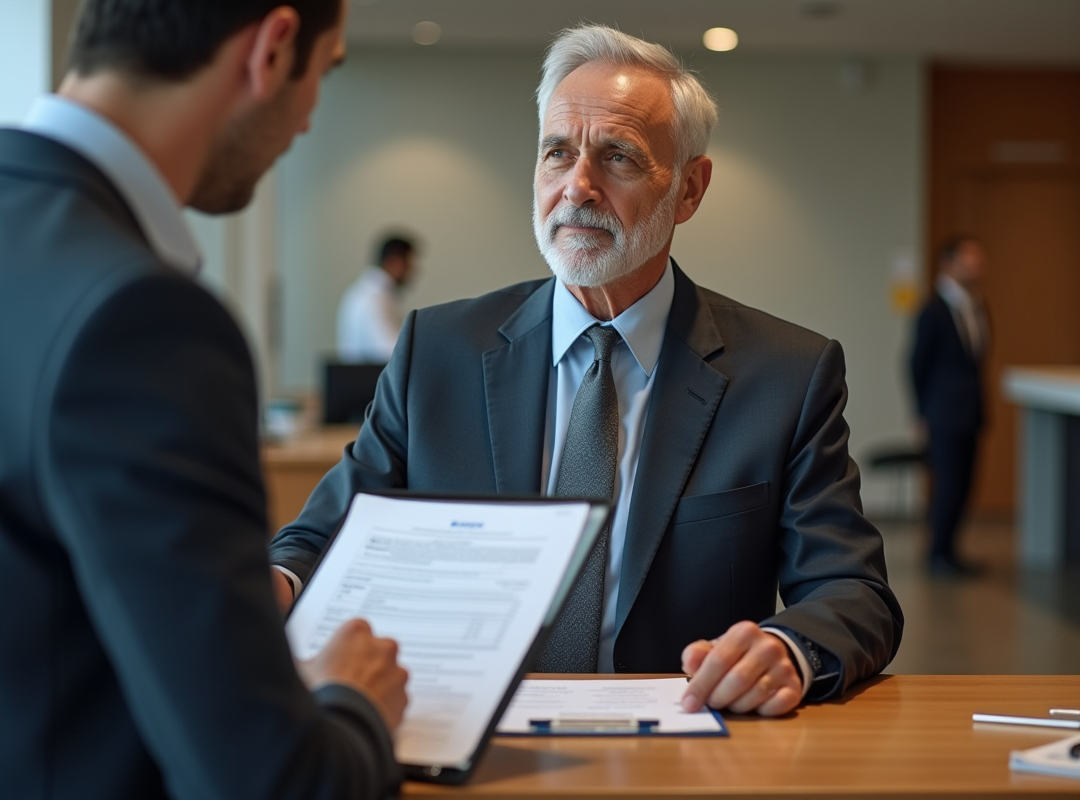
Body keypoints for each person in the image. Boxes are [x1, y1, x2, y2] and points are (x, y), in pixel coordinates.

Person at [269, 24, 902, 718]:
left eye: (619, 157)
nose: (579, 187)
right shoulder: (436, 351)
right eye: (558, 153)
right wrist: (276, 584)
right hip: (464, 735)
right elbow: (323, 535)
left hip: (684, 748)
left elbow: (854, 593)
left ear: (689, 189)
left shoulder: (787, 375)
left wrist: (788, 651)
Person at [0, 2, 410, 798]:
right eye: (323, 72)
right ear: (272, 50)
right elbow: (272, 784)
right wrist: (355, 701)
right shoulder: (141, 319)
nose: (308, 118)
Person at [910, 236, 989, 577]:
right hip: (943, 413)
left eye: (978, 260)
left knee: (966, 483)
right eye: (968, 260)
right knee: (949, 483)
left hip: (971, 411)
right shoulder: (933, 310)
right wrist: (921, 412)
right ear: (949, 264)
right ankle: (938, 554)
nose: (976, 267)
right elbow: (916, 364)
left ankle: (951, 550)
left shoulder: (978, 306)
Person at [337, 234, 418, 362]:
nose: (413, 270)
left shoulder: (366, 293)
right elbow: (393, 354)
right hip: (367, 380)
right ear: (394, 261)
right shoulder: (374, 300)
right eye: (409, 263)